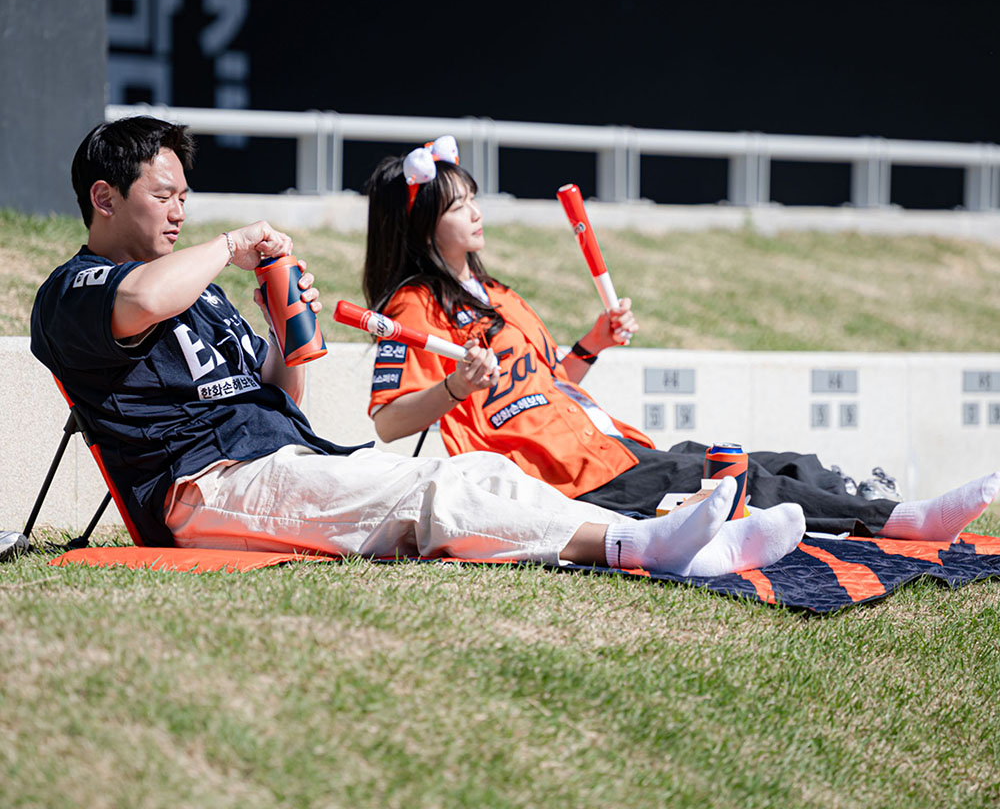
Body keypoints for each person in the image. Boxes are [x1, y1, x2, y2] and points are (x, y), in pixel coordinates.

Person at [28, 116, 807, 579]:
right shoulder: (76, 288)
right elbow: (139, 301)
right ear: (105, 198)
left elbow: (280, 395)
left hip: (280, 457)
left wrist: (282, 324)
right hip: (206, 488)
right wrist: (232, 244)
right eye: (163, 196)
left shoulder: (199, 293)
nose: (179, 212)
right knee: (427, 493)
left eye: (184, 197)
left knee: (480, 472)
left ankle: (685, 550)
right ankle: (637, 544)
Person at [362, 140, 999, 541]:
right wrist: (454, 386)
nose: (476, 212)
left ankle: (879, 502)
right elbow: (389, 423)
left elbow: (546, 385)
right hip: (563, 479)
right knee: (738, 480)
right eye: (458, 206)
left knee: (773, 461)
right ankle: (905, 523)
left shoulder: (499, 294)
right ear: (422, 226)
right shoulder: (412, 306)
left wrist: (592, 344)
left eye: (473, 198)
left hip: (611, 449)